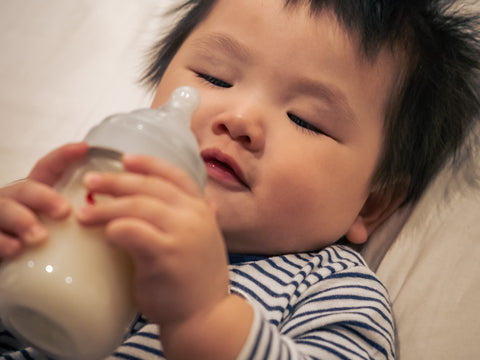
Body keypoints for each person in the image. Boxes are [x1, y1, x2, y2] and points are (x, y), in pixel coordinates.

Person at [1, 0, 479, 359]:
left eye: (305, 119)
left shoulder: (328, 289)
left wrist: (205, 319)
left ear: (370, 204)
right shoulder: (87, 209)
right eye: (214, 77)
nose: (240, 118)